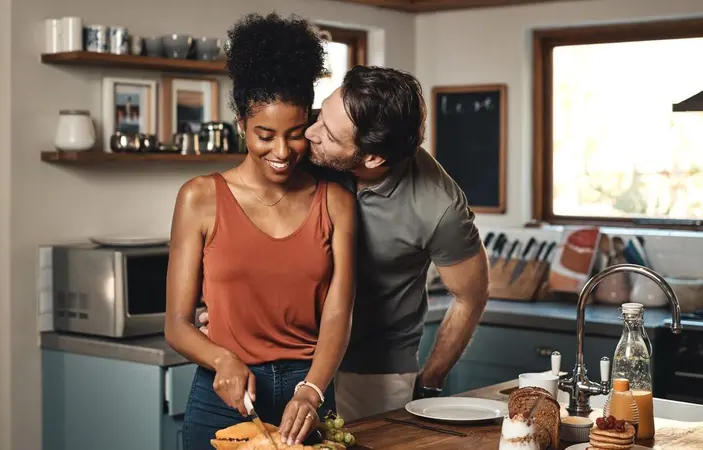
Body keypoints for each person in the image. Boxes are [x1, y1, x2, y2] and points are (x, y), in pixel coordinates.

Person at [201, 65, 490, 422]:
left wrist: (429, 383)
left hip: (373, 370)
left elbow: (470, 295)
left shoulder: (439, 207)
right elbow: (248, 223)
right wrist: (221, 305)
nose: (309, 132)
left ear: (371, 157)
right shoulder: (305, 141)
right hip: (289, 359)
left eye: (329, 134)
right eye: (321, 115)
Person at [165, 12, 356, 450]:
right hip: (225, 395)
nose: (282, 151)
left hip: (308, 393)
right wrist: (222, 359)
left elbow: (337, 316)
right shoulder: (199, 198)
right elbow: (176, 324)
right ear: (241, 126)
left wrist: (312, 389)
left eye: (294, 135)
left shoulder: (335, 201)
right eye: (265, 135)